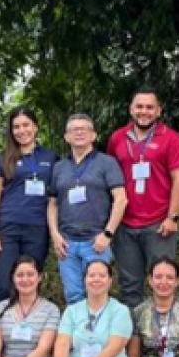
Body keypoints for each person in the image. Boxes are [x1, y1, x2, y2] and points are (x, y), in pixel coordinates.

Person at [106, 87, 179, 307]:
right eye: (139, 106)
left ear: (159, 110)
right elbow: (109, 178)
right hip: (125, 224)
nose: (144, 111)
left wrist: (173, 217)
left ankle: (161, 338)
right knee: (129, 285)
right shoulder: (117, 138)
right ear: (131, 109)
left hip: (159, 224)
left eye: (150, 107)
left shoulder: (171, 139)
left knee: (163, 282)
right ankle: (135, 339)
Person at [48, 114, 127, 303]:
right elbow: (52, 204)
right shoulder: (59, 167)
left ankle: (99, 333)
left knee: (98, 294)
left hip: (96, 242)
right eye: (74, 129)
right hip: (67, 243)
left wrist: (107, 234)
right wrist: (56, 236)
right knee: (74, 296)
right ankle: (78, 334)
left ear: (94, 136)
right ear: (66, 137)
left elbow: (121, 199)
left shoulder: (107, 162)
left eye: (84, 128)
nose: (79, 132)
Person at [0, 107, 57, 302]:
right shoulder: (1, 159)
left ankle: (30, 330)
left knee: (30, 284)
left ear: (35, 127)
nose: (21, 130)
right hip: (7, 228)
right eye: (16, 127)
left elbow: (56, 196)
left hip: (37, 227)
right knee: (4, 285)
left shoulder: (50, 158)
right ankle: (2, 330)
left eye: (26, 125)